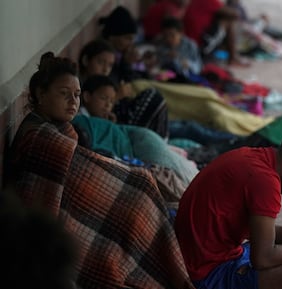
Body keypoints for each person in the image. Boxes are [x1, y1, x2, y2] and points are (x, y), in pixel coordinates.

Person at [8, 52, 194, 289]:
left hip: (70, 211)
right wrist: (133, 180)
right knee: (140, 195)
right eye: (64, 94)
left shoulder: (59, 127)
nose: (73, 102)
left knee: (146, 195)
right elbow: (76, 177)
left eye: (76, 95)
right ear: (40, 94)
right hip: (52, 226)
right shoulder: (40, 137)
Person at [174, 131, 282, 289]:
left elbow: (259, 232)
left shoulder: (253, 157)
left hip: (206, 255)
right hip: (207, 273)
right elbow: (262, 259)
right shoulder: (265, 181)